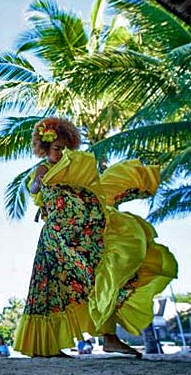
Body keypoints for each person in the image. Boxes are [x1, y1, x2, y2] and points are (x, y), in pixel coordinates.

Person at [14, 117, 177, 358]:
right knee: (51, 290)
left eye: (65, 149)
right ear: (45, 148)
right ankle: (46, 347)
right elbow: (35, 188)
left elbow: (90, 193)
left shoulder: (74, 170)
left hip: (82, 238)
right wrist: (40, 184)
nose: (61, 153)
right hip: (56, 240)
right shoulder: (44, 169)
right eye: (57, 148)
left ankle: (110, 338)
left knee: (104, 278)